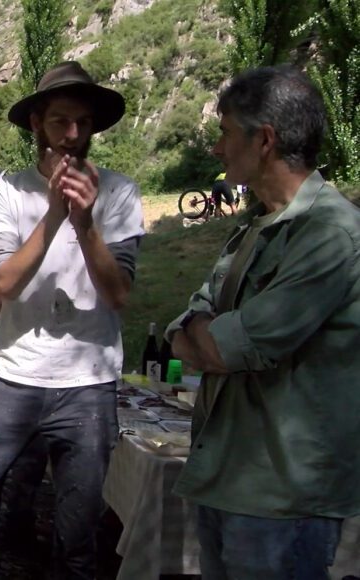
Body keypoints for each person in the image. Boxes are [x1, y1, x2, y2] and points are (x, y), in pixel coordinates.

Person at [165, 66, 360, 579]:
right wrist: (200, 331)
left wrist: (202, 333)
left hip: (282, 500)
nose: (217, 148)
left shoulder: (329, 235)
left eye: (226, 132)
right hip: (228, 479)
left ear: (265, 140)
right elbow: (184, 328)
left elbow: (219, 349)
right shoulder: (254, 227)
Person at [0, 61, 145, 579]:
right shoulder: (7, 191)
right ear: (37, 123)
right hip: (13, 374)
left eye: (83, 122)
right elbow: (0, 287)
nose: (73, 134)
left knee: (80, 526)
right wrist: (56, 213)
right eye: (60, 120)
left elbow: (119, 292)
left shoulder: (120, 193)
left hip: (88, 382)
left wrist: (85, 221)